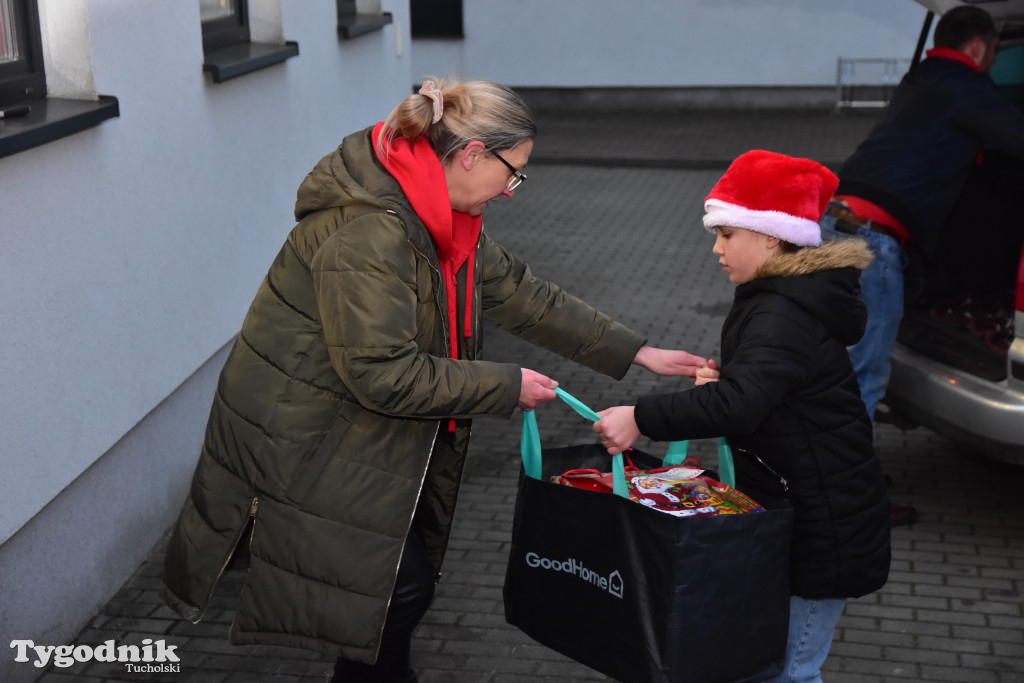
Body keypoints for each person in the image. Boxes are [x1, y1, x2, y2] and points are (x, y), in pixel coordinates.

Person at [159, 77, 705, 683]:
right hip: (303, 435)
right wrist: (504, 385)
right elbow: (380, 373)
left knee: (395, 586)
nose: (512, 191)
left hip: (353, 430)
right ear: (472, 155)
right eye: (513, 172)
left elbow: (523, 294)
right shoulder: (371, 231)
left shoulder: (440, 217)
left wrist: (639, 351)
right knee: (401, 585)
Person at [593, 150, 892, 683]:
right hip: (802, 513)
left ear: (772, 237)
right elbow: (762, 391)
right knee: (764, 664)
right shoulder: (780, 296)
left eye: (728, 234)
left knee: (790, 670)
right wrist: (730, 382)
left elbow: (741, 404)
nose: (716, 248)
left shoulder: (782, 311)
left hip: (824, 528)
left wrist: (640, 416)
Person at [821, 5, 1024, 524]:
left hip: (834, 224)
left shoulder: (922, 80)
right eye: (996, 52)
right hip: (873, 244)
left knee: (835, 369)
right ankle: (850, 505)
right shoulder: (965, 86)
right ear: (979, 49)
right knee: (862, 377)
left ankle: (843, 475)